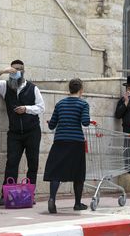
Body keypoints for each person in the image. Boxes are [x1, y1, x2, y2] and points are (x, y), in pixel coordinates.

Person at [0, 59, 45, 205]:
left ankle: (30, 194)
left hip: (32, 131)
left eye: (18, 70)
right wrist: (1, 72)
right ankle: (6, 195)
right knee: (11, 162)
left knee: (33, 163)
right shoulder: (5, 86)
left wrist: (26, 109)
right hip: (15, 133)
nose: (15, 72)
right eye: (12, 70)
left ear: (23, 72)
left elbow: (41, 107)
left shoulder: (32, 88)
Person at [44, 78, 90, 213]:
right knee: (78, 173)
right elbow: (85, 122)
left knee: (56, 172)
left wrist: (50, 122)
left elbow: (52, 125)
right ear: (81, 90)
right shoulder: (83, 104)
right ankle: (77, 203)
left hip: (60, 141)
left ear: (69, 89)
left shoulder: (60, 104)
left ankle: (52, 199)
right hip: (76, 142)